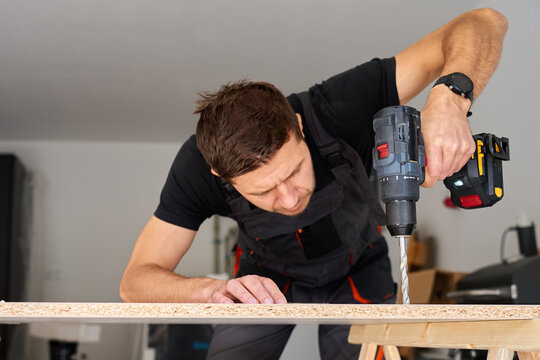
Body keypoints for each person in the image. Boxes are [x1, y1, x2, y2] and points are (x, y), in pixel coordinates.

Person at [120, 8, 508, 360]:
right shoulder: (195, 167)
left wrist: (449, 100)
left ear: (300, 126)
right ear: (220, 176)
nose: (289, 199)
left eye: (294, 171)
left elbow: (486, 21)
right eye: (262, 191)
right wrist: (206, 292)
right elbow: (135, 281)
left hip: (360, 267)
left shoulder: (339, 107)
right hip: (265, 280)